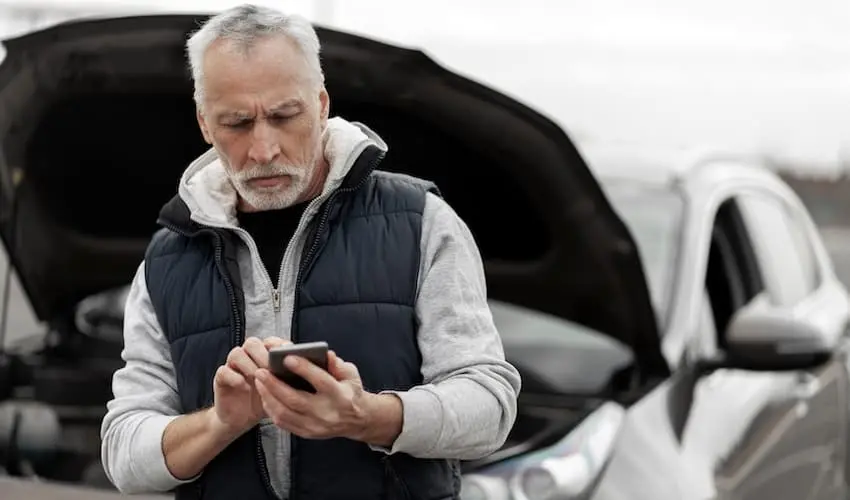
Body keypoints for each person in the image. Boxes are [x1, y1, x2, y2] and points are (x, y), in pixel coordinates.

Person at [100, 4, 521, 500]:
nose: (263, 149)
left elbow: (490, 408)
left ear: (321, 104)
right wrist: (220, 423)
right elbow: (124, 457)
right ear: (204, 125)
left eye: (284, 116)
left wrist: (366, 416)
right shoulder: (166, 259)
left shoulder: (421, 221)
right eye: (236, 123)